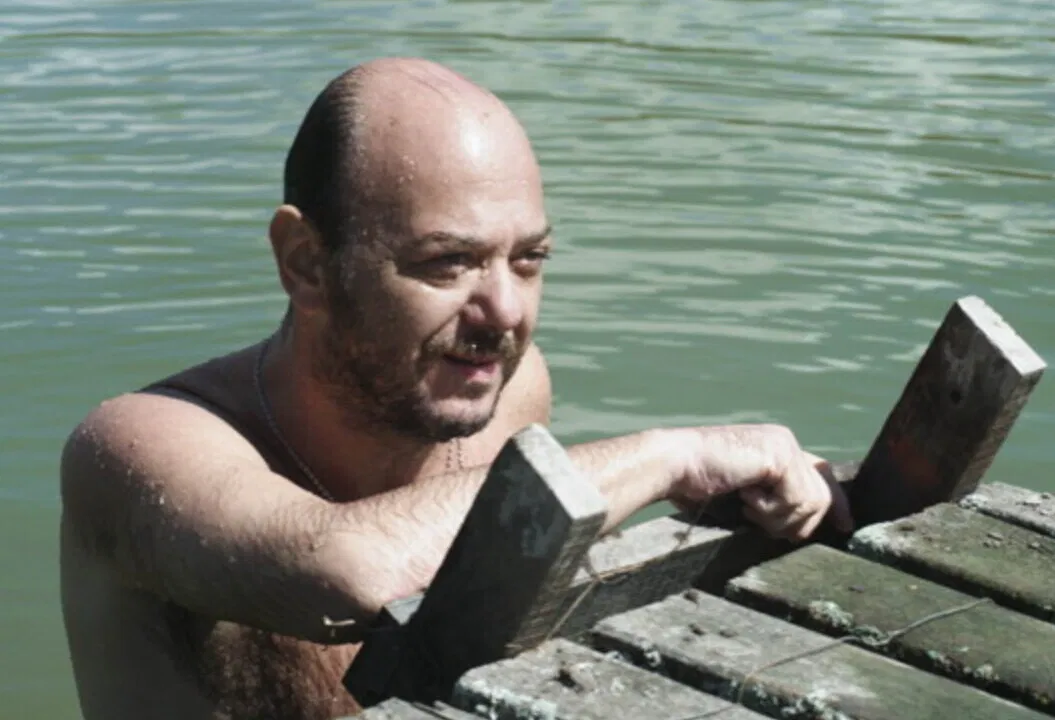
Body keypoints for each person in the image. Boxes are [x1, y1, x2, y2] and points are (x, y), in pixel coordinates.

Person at [58, 57, 853, 720]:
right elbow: (349, 573)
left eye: (529, 260)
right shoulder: (135, 448)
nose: (505, 313)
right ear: (306, 264)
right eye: (448, 263)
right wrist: (671, 458)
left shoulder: (509, 390)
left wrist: (777, 504)